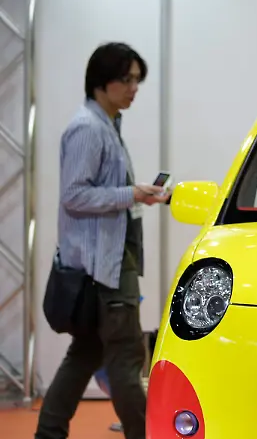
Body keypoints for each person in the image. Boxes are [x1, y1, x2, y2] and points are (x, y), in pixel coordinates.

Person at [35, 42, 170, 439]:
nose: (134, 88)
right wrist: (131, 194)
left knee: (87, 353)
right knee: (127, 359)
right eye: (127, 79)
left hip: (106, 263)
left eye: (136, 80)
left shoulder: (106, 125)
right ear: (102, 82)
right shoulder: (88, 128)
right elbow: (74, 196)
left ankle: (49, 432)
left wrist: (138, 193)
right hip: (104, 269)